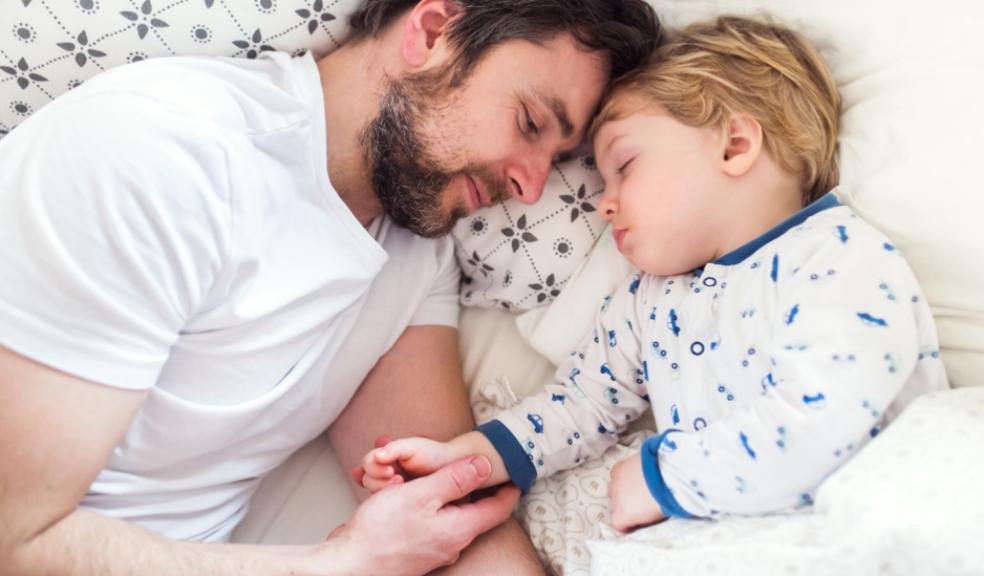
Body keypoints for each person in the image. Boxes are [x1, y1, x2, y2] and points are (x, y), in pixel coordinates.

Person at [0, 0, 660, 574]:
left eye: (557, 159)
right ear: (431, 33)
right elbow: (13, 539)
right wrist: (341, 566)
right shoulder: (159, 155)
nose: (533, 186)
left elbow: (446, 513)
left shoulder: (414, 254)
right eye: (530, 123)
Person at [358, 16, 949, 533]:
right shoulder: (650, 300)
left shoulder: (835, 259)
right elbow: (581, 404)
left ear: (735, 145)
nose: (602, 202)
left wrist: (666, 479)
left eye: (624, 164)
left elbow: (826, 416)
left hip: (860, 520)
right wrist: (469, 460)